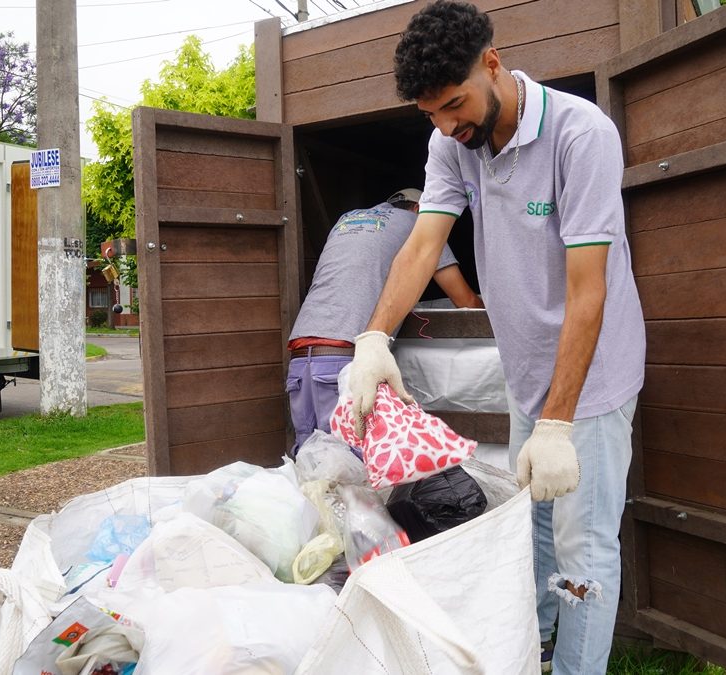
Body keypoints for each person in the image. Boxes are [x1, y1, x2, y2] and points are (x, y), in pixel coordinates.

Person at [346, 2, 645, 673]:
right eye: (432, 115)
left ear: (492, 63)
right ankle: (530, 648)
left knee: (582, 550)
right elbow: (425, 244)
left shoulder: (580, 135)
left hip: (589, 383)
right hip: (527, 371)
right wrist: (373, 338)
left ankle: (575, 666)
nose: (449, 125)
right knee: (532, 525)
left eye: (455, 105)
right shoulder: (451, 142)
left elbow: (588, 289)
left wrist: (560, 423)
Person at [286, 189, 480, 456]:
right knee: (353, 470)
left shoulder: (348, 220)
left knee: (309, 463)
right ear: (419, 208)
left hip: (300, 359)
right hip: (347, 362)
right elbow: (465, 300)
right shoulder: (420, 225)